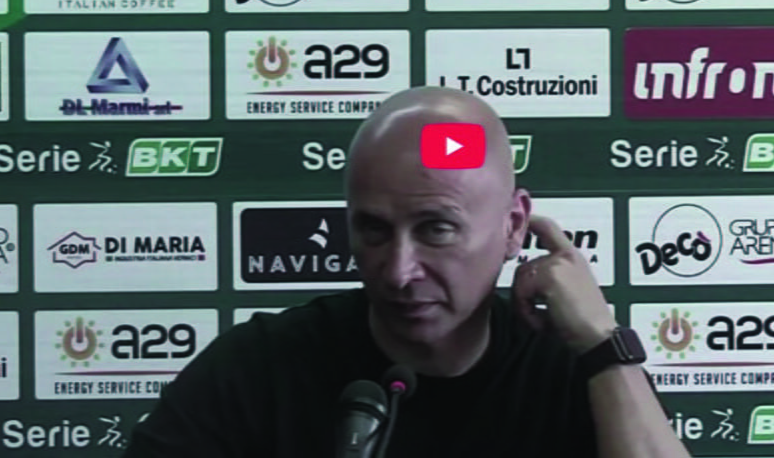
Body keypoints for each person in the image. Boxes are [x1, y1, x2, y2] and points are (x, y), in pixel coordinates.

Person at [121, 86, 690, 458]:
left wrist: (604, 347)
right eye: (373, 230)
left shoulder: (576, 372)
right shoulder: (258, 368)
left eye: (436, 229)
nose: (398, 271)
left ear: (513, 226)